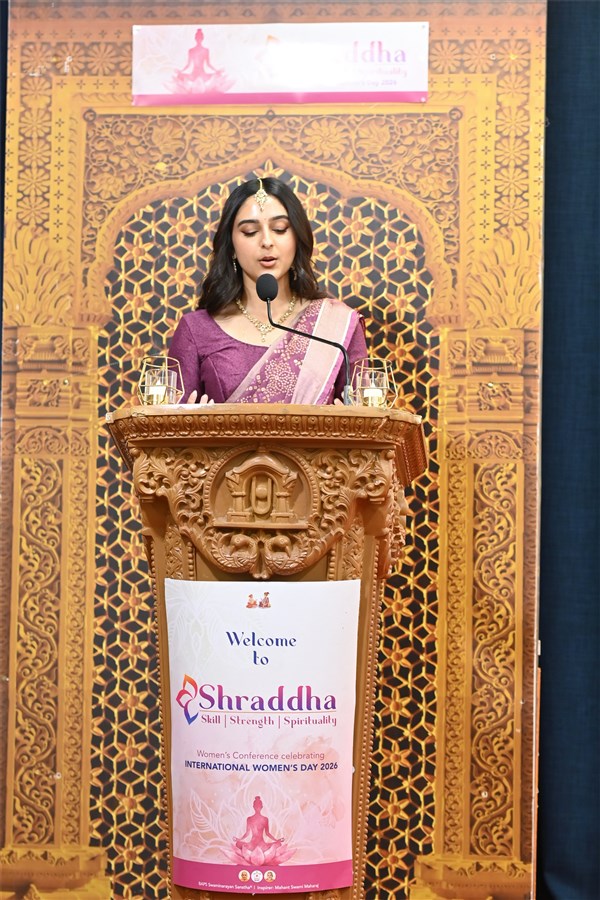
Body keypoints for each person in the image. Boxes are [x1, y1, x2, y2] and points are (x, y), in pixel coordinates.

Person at [169, 176, 368, 405]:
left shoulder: (334, 325)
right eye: (250, 231)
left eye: (279, 229)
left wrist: (348, 422)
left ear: (297, 238)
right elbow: (166, 423)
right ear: (231, 246)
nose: (266, 241)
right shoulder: (196, 329)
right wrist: (190, 423)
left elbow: (367, 420)